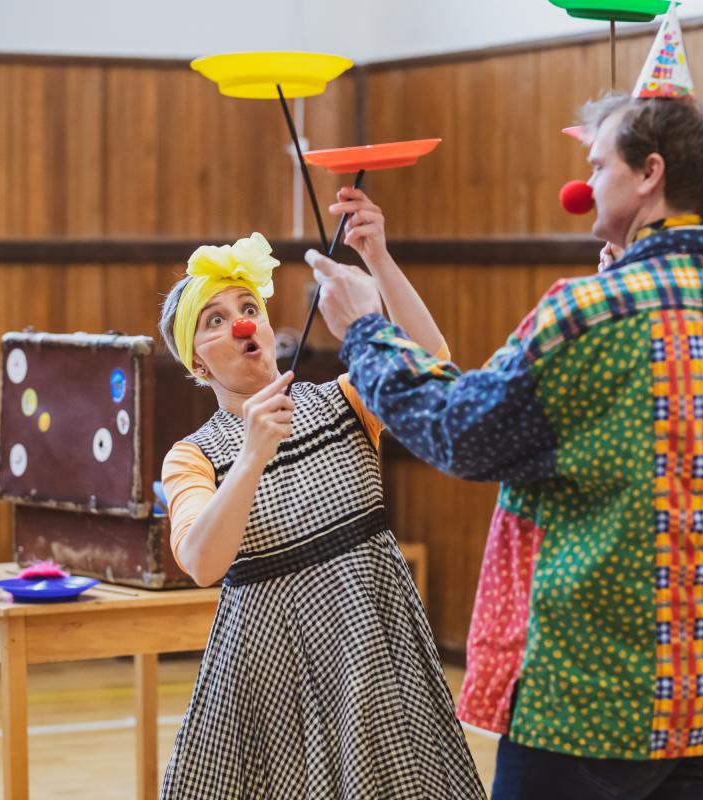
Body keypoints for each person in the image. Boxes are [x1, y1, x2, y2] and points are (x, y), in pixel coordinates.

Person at [307, 92, 703, 799]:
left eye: (599, 165)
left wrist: (363, 329)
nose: (585, 185)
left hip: (590, 690)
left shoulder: (592, 312)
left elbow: (458, 430)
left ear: (649, 173)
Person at [156, 202, 485, 798]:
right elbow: (202, 562)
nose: (241, 324)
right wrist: (251, 456)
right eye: (215, 320)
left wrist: (377, 258)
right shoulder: (192, 456)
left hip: (369, 649)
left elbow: (428, 359)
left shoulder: (343, 400)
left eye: (248, 308)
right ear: (196, 362)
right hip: (270, 674)